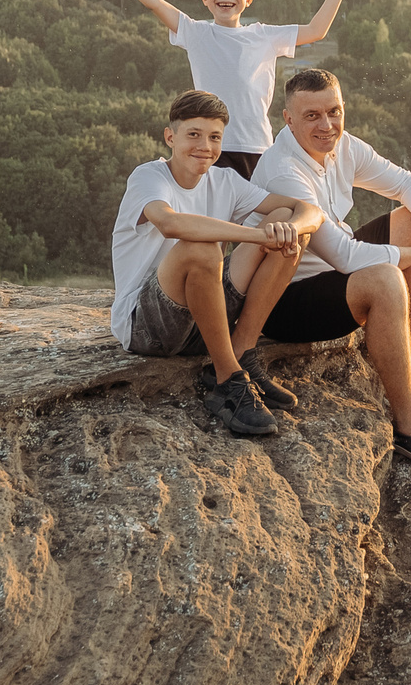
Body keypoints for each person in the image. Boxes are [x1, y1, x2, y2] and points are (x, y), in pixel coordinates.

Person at [237, 67, 411, 474]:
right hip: (287, 297)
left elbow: (408, 182)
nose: (327, 124)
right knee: (385, 279)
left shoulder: (342, 146)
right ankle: (407, 424)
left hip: (331, 270)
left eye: (334, 111)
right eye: (312, 115)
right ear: (288, 119)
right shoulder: (285, 171)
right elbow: (348, 258)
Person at [109, 89, 324, 438]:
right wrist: (257, 236)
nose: (204, 146)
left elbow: (309, 211)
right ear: (170, 137)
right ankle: (228, 382)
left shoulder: (225, 180)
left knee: (285, 222)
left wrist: (290, 229)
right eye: (193, 134)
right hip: (148, 326)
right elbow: (171, 223)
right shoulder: (148, 177)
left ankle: (242, 353)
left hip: (204, 318)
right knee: (204, 248)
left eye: (214, 137)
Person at [81, 0, 353, 179]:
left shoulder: (264, 36)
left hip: (256, 148)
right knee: (213, 228)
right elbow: (154, 2)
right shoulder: (196, 32)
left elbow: (316, 31)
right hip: (210, 148)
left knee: (258, 229)